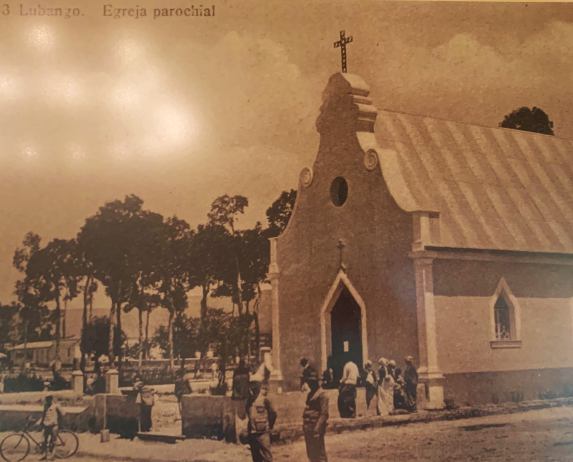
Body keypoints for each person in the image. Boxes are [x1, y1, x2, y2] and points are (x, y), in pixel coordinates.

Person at [246, 372, 277, 462]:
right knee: (256, 458)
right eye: (250, 385)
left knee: (267, 457)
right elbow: (248, 412)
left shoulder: (265, 398)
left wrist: (269, 426)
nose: (251, 388)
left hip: (263, 433)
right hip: (252, 433)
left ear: (258, 386)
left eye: (254, 385)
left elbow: (273, 413)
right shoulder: (249, 400)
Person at [303, 368, 329, 462]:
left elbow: (324, 414)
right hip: (308, 426)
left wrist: (317, 429)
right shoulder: (310, 394)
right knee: (311, 453)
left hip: (316, 427)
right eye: (309, 381)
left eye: (312, 382)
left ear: (317, 382)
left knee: (320, 453)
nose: (310, 384)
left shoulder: (322, 395)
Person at [38, 395, 64, 460]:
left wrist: (59, 420)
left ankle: (52, 456)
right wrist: (41, 422)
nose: (47, 400)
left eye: (49, 399)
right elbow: (44, 414)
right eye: (46, 399)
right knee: (44, 441)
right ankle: (45, 455)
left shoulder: (56, 406)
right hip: (46, 425)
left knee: (53, 441)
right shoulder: (45, 405)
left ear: (51, 399)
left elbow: (63, 413)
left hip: (53, 426)